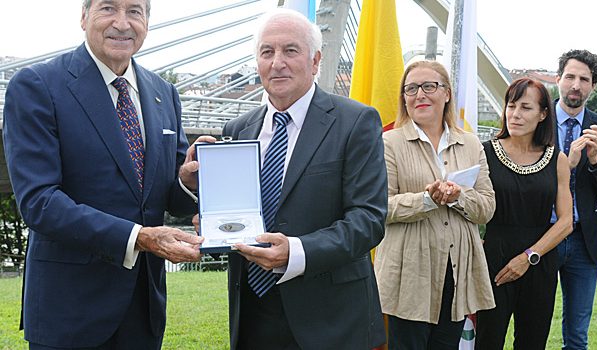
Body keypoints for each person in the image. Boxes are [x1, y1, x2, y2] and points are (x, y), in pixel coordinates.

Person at [2, 0, 205, 348]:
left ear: (147, 22)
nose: (122, 23)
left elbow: (167, 197)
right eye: (108, 8)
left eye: (135, 11)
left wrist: (187, 182)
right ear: (83, 17)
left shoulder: (164, 94)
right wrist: (138, 237)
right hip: (69, 312)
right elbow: (39, 203)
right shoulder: (37, 86)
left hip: (143, 312)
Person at [190, 9, 387, 349]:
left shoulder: (356, 122)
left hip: (330, 320)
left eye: (290, 50)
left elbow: (368, 220)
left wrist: (295, 252)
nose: (277, 62)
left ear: (315, 62)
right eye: (267, 52)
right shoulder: (237, 130)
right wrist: (208, 217)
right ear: (257, 62)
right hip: (253, 316)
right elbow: (235, 212)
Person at [373, 60, 496, 349]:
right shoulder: (388, 142)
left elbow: (487, 207)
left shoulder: (471, 144)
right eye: (411, 88)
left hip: (457, 271)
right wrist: (427, 199)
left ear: (447, 94)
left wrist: (458, 197)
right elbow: (379, 206)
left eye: (429, 86)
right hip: (409, 273)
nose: (420, 95)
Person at [476, 78, 573, 349]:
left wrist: (529, 256)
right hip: (493, 259)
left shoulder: (557, 159)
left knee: (533, 341)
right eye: (511, 105)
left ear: (543, 114)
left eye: (526, 107)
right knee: (487, 339)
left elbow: (566, 222)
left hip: (539, 260)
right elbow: (467, 204)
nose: (515, 114)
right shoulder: (482, 153)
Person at [552, 49, 597, 350]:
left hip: (582, 239)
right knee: (532, 322)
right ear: (558, 79)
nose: (576, 85)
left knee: (578, 334)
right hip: (541, 235)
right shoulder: (536, 119)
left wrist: (595, 160)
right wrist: (570, 160)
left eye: (584, 79)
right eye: (570, 77)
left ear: (593, 86)